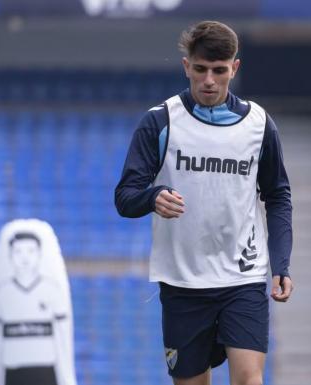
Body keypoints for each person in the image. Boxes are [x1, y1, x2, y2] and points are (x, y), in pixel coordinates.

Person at [114, 20, 293, 385]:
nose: (209, 80)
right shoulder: (160, 122)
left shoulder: (259, 124)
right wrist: (153, 197)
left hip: (242, 276)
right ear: (186, 67)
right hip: (182, 282)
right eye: (200, 70)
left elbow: (277, 195)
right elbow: (125, 196)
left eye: (218, 70)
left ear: (234, 68)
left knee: (248, 380)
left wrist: (282, 263)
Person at [0, 232, 72, 385]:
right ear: (10, 254)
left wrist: (67, 378)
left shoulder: (52, 289)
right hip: (13, 372)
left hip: (46, 371)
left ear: (39, 253)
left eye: (30, 251)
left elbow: (62, 337)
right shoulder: (2, 291)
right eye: (18, 251)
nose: (24, 257)